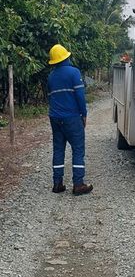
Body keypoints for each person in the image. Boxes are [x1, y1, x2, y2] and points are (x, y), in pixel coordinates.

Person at [47, 44, 93, 195]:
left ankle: (57, 184)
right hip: (72, 118)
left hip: (55, 118)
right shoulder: (74, 72)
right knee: (78, 149)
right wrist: (84, 114)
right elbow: (80, 96)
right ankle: (78, 184)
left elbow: (50, 98)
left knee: (58, 149)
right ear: (66, 57)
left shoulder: (51, 77)